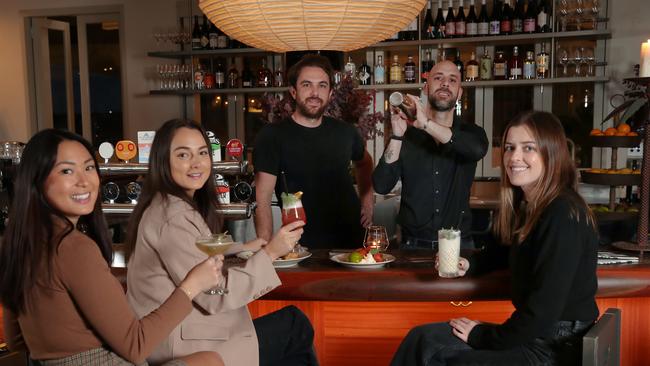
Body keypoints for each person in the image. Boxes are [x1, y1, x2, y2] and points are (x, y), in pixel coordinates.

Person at [390, 111, 599, 366]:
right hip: (535, 334)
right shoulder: (529, 204)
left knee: (448, 359)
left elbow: (541, 314)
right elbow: (507, 250)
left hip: (554, 347)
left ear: (551, 153)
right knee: (422, 339)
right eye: (510, 147)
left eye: (528, 148)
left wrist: (483, 335)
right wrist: (471, 265)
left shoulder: (562, 213)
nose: (514, 157)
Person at [0, 129, 224, 366]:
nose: (84, 181)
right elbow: (136, 345)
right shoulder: (73, 247)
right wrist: (192, 285)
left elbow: (16, 340)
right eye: (67, 171)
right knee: (211, 360)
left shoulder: (17, 243)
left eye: (88, 168)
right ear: (37, 180)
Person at [125, 119, 317, 366]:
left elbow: (196, 250)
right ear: (163, 161)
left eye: (202, 153)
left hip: (180, 335)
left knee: (290, 326)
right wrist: (269, 253)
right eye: (183, 154)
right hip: (183, 346)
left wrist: (245, 248)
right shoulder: (174, 218)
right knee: (295, 326)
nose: (196, 163)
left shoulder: (167, 205)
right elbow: (213, 295)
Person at [253, 54, 374, 249]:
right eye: (307, 85)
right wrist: (266, 251)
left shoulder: (346, 132)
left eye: (322, 86)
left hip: (351, 242)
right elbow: (262, 200)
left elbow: (365, 162)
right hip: (301, 245)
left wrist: (367, 202)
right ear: (293, 91)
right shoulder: (272, 136)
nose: (315, 93)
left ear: (331, 93)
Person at [372, 60, 489, 250]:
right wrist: (397, 134)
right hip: (412, 247)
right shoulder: (407, 137)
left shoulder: (472, 134)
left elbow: (476, 150)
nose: (445, 83)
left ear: (459, 93)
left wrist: (425, 123)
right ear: (426, 88)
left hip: (459, 247)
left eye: (452, 80)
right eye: (438, 78)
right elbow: (382, 185)